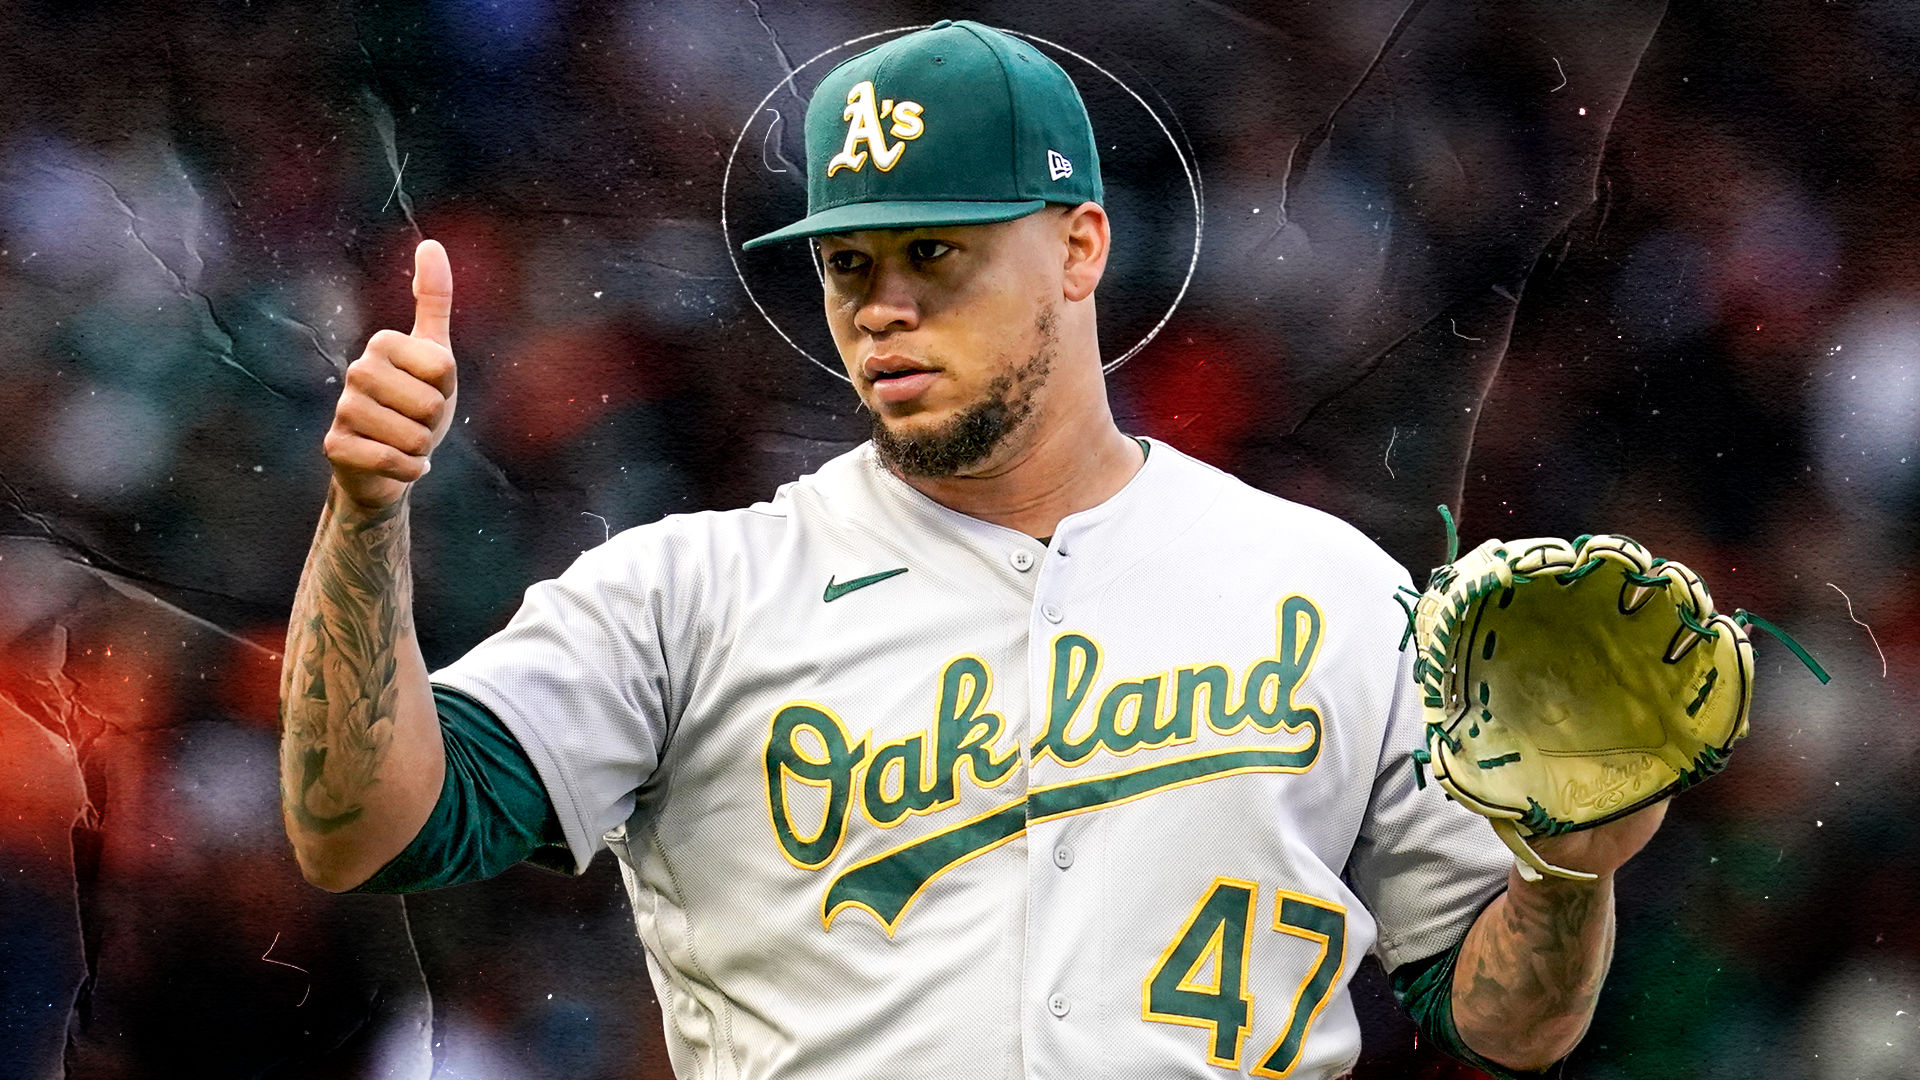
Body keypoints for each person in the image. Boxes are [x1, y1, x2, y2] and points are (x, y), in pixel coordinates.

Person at [279, 20, 1666, 1079]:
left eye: (934, 254)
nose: (881, 306)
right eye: (850, 264)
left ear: (1079, 249)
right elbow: (365, 830)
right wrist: (364, 519)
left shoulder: (1330, 587)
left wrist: (1570, 871)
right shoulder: (690, 593)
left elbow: (1508, 1023)